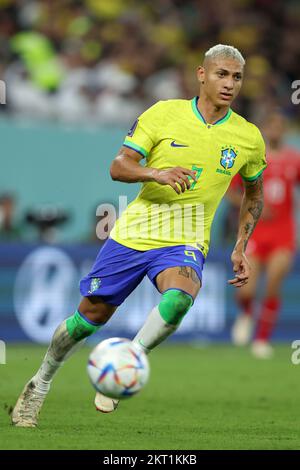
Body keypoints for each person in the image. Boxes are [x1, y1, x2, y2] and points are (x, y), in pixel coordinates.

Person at [12, 44, 266, 427]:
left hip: (186, 238)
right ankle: (39, 383)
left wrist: (240, 246)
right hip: (135, 233)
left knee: (181, 297)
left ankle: (129, 357)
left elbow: (254, 193)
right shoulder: (164, 114)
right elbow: (118, 166)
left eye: (236, 77)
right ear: (201, 74)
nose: (229, 83)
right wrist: (157, 173)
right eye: (221, 74)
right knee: (87, 320)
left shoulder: (247, 137)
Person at [229, 111, 300, 359]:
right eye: (271, 125)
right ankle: (247, 313)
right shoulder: (254, 158)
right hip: (255, 231)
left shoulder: (294, 159)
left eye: (280, 125)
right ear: (264, 130)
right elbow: (234, 192)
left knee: (272, 285)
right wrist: (254, 205)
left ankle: (261, 340)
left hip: (284, 233)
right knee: (246, 290)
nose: (276, 130)